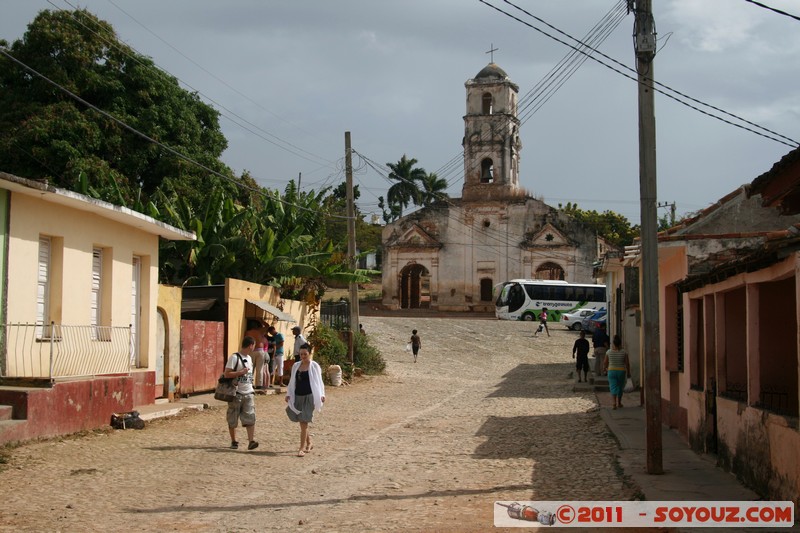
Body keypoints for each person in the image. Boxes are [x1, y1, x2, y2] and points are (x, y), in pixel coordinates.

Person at [285, 343, 325, 457]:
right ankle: (309, 442)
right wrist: (289, 394)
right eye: (301, 354)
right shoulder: (296, 366)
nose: (303, 356)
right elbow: (292, 381)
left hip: (309, 397)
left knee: (304, 422)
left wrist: (322, 394)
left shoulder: (314, 366)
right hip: (298, 396)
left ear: (309, 353)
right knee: (302, 422)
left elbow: (319, 382)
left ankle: (301, 448)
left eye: (305, 354)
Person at [224, 336, 258, 450]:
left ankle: (251, 441)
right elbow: (226, 374)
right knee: (233, 418)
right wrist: (240, 372)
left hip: (248, 393)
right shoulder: (234, 357)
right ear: (251, 345)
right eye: (254, 345)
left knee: (250, 417)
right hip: (236, 393)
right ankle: (234, 441)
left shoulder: (249, 358)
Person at [603, 334, 631, 410]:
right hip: (621, 371)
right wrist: (628, 373)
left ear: (613, 343)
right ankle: (619, 403)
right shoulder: (624, 352)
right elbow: (627, 363)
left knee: (613, 386)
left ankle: (614, 403)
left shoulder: (608, 352)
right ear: (620, 343)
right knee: (620, 387)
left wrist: (605, 369)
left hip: (611, 371)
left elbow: (605, 362)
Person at [244, 319, 269, 390]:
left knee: (250, 368)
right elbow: (267, 326)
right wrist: (261, 320)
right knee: (260, 369)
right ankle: (259, 385)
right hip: (260, 351)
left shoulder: (247, 332)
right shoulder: (260, 331)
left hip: (251, 351)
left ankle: (249, 384)